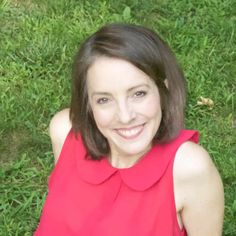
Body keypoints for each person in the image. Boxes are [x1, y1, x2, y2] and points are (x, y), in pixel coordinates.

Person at [34, 23, 224, 236]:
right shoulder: (65, 131)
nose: (125, 116)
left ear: (163, 90)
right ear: (88, 103)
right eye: (104, 99)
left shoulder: (189, 168)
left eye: (139, 94)